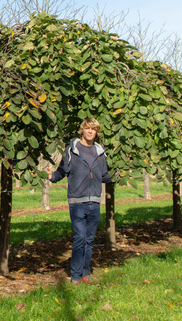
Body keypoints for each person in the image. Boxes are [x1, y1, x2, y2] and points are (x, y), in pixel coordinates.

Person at [46, 117, 114, 285]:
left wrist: (117, 175)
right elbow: (62, 171)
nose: (91, 131)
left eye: (94, 129)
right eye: (88, 128)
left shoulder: (100, 151)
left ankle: (86, 273)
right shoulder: (72, 150)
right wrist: (52, 176)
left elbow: (104, 176)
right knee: (79, 238)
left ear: (96, 132)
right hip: (77, 202)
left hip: (95, 202)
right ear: (82, 130)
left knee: (89, 240)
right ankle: (76, 276)